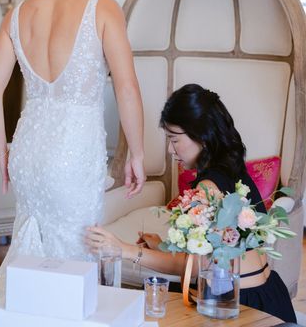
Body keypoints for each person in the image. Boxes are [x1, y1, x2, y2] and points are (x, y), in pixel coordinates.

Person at [0, 0, 145, 324]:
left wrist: (2, 153)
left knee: (32, 251)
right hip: (73, 151)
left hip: (28, 148)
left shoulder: (18, 13)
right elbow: (127, 87)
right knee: (76, 256)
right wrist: (136, 153)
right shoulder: (101, 6)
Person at [86, 84, 297, 323]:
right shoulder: (232, 165)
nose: (169, 149)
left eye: (174, 139)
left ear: (202, 137)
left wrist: (124, 249)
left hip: (240, 305)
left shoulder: (207, 188)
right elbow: (218, 250)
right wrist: (163, 246)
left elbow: (194, 266)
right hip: (269, 294)